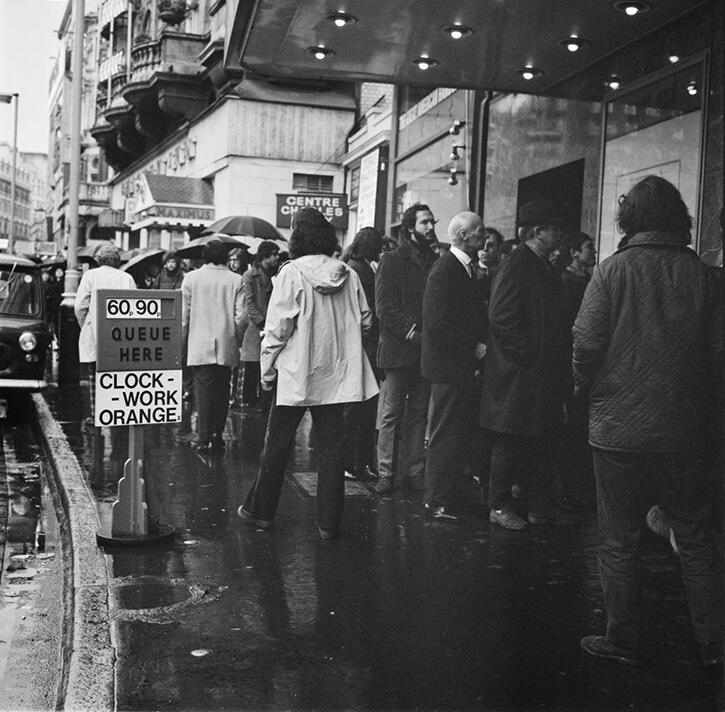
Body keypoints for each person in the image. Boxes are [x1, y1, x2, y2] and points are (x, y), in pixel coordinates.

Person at [574, 175, 724, 667]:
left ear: (629, 219)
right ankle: (714, 647)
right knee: (699, 539)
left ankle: (623, 639)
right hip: (686, 431)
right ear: (679, 218)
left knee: (618, 539)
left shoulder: (610, 272)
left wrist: (586, 390)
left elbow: (587, 344)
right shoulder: (705, 276)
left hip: (617, 430)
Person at [238, 208, 378, 539]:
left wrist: (267, 371)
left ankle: (262, 513)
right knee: (332, 447)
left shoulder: (291, 273)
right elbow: (367, 322)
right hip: (336, 376)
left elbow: (276, 331)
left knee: (278, 443)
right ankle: (329, 524)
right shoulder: (349, 274)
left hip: (295, 374)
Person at [480, 199, 574, 530]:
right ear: (537, 232)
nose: (560, 234)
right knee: (510, 441)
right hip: (518, 375)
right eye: (555, 229)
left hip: (534, 374)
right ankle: (500, 505)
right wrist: (529, 356)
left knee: (540, 441)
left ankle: (539, 507)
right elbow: (501, 318)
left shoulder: (540, 264)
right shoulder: (518, 263)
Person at [422, 212, 487, 521]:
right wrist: (473, 348)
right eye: (478, 232)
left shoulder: (464, 269)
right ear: (462, 235)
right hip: (448, 368)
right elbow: (437, 324)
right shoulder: (446, 270)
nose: (483, 237)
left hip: (457, 367)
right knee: (445, 434)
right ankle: (436, 500)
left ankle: (444, 496)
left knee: (454, 433)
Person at [374, 203, 438, 495]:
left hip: (425, 350)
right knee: (392, 413)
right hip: (401, 350)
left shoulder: (435, 260)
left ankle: (413, 470)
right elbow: (385, 306)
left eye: (432, 223)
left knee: (419, 413)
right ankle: (386, 472)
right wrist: (412, 332)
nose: (431, 228)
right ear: (410, 227)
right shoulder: (392, 259)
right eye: (425, 223)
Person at [181, 239, 245, 453]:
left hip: (199, 344)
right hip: (226, 342)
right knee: (222, 390)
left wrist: (182, 342)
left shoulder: (191, 279)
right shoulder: (236, 280)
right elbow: (242, 317)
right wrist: (236, 339)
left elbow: (184, 317)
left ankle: (204, 437)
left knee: (203, 391)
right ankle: (217, 435)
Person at [557, 231, 597, 508]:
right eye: (587, 247)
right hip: (572, 365)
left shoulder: (590, 281)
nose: (592, 252)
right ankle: (570, 488)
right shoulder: (567, 283)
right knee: (573, 430)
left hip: (590, 368)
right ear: (574, 252)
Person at [74, 244, 137, 420]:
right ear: (117, 260)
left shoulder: (90, 276)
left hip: (95, 333)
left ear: (99, 259)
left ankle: (96, 416)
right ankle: (116, 413)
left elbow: (80, 306)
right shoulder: (127, 278)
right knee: (118, 377)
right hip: (121, 336)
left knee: (95, 375)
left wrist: (85, 325)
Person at [341, 226, 384, 480]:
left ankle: (356, 462)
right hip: (365, 344)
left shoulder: (354, 266)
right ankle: (357, 462)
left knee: (358, 408)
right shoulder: (361, 271)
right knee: (361, 408)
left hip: (359, 345)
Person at [239, 241, 280, 409]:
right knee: (252, 365)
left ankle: (264, 401)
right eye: (274, 254)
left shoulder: (278, 274)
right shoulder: (249, 276)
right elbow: (249, 302)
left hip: (273, 327)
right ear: (265, 256)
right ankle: (250, 401)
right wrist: (262, 322)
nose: (277, 257)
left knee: (269, 367)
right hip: (255, 327)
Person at [226, 247, 249, 408]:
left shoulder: (245, 278)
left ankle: (236, 395)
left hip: (244, 324)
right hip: (231, 321)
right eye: (231, 260)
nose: (234, 263)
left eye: (237, 260)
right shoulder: (229, 278)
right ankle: (230, 395)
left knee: (240, 364)